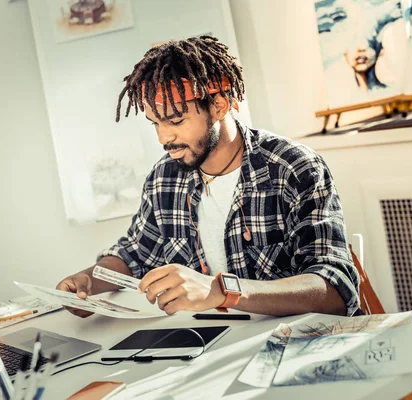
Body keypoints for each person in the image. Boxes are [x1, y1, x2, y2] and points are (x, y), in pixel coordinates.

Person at [56, 36, 360, 318]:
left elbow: (334, 290)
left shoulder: (292, 167)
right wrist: (89, 281)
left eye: (176, 120)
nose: (164, 137)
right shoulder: (165, 178)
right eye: (155, 124)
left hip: (298, 345)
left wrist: (222, 292)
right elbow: (133, 254)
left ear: (218, 105)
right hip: (216, 345)